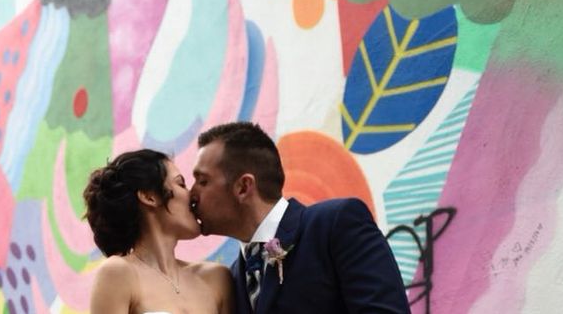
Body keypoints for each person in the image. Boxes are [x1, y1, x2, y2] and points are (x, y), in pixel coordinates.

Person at [190, 122, 410, 314]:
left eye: (202, 181)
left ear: (243, 187)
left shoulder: (335, 224)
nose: (192, 195)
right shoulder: (232, 279)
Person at [84, 149, 235, 314]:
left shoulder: (217, 278)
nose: (192, 195)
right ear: (149, 197)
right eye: (181, 184)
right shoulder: (118, 273)